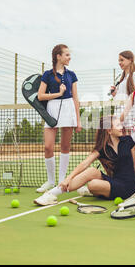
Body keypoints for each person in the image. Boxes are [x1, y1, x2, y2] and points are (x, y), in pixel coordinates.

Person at [34, 116, 135, 205]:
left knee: (93, 185)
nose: (121, 127)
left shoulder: (128, 141)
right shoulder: (102, 148)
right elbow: (84, 164)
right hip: (114, 181)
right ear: (109, 131)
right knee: (92, 171)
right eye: (118, 125)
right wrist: (68, 178)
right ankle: (52, 194)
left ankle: (95, 191)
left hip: (127, 187)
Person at [36, 44, 82, 194]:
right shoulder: (47, 75)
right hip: (52, 109)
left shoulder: (72, 75)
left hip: (68, 109)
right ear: (58, 56)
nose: (69, 57)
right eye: (67, 55)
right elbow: (40, 96)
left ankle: (62, 180)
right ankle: (50, 181)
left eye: (69, 55)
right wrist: (58, 94)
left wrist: (78, 120)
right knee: (48, 147)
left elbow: (75, 98)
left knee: (65, 147)